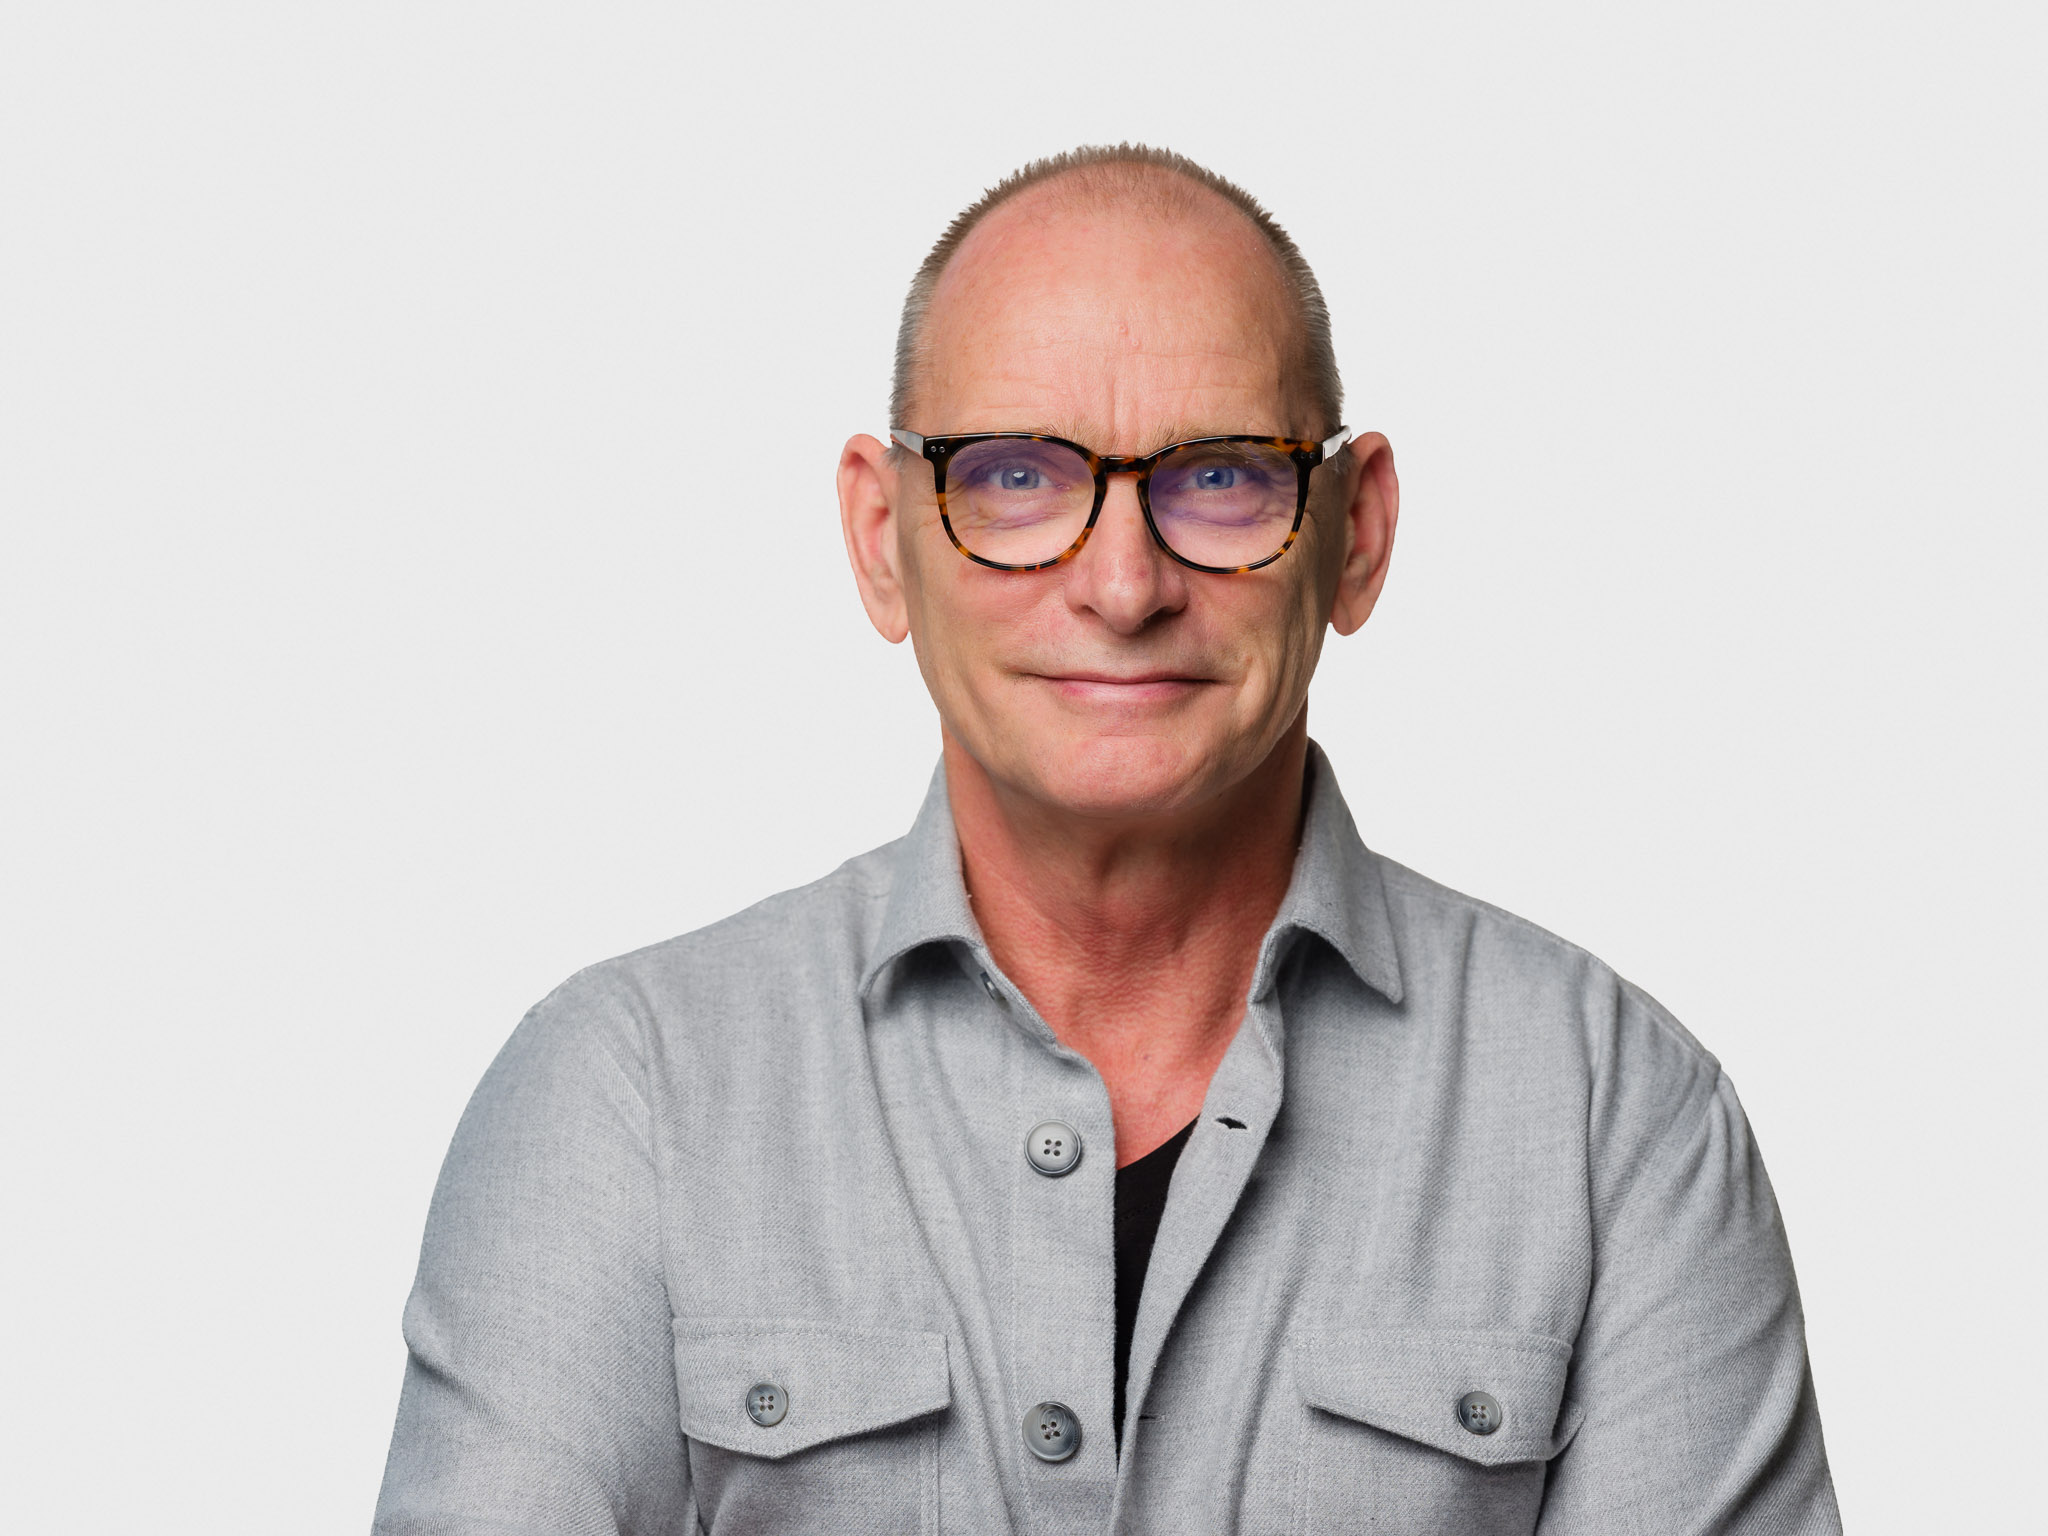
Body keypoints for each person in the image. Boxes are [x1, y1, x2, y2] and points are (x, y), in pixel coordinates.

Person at [373, 143, 1840, 1534]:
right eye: (1016, 476)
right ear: (882, 540)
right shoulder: (622, 1099)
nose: (1124, 586)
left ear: (1357, 534)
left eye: (1223, 475)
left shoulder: (1615, 1119)